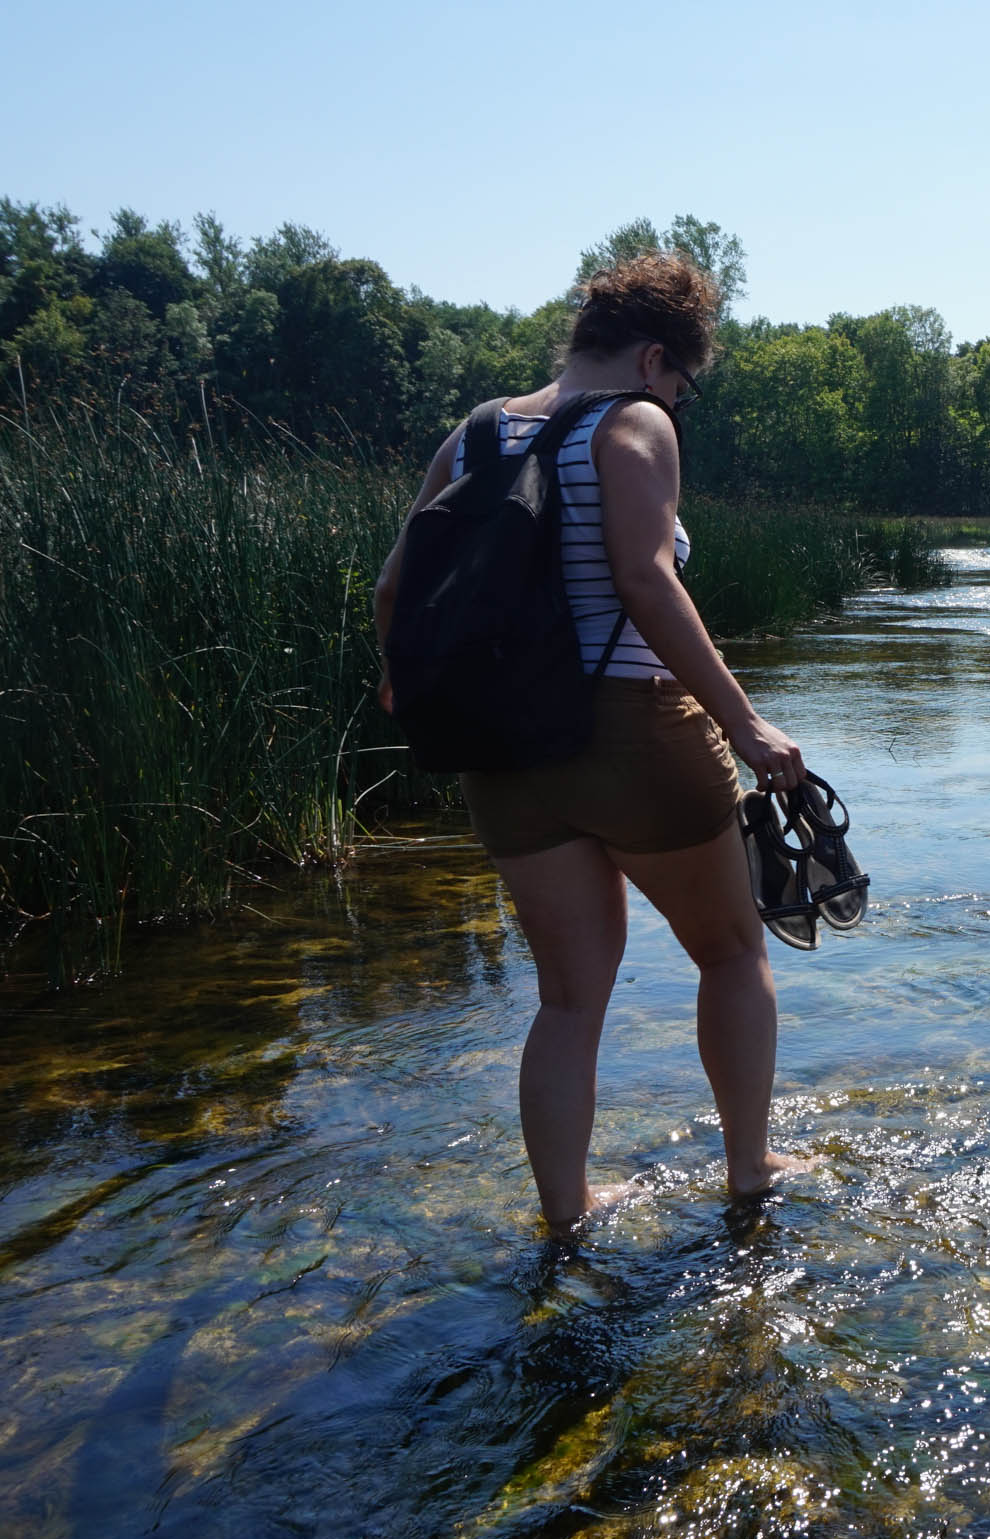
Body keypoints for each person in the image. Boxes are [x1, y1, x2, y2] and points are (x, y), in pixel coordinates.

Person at [373, 252, 808, 1231]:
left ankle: (565, 1211)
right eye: (685, 385)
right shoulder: (634, 424)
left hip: (505, 754)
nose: (679, 402)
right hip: (633, 734)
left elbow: (390, 591)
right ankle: (750, 1167)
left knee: (568, 999)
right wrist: (744, 722)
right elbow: (646, 580)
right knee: (733, 953)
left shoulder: (478, 432)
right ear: (656, 357)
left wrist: (406, 681)